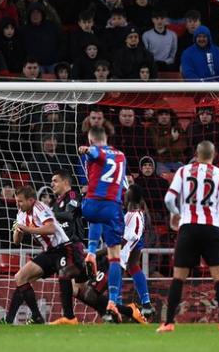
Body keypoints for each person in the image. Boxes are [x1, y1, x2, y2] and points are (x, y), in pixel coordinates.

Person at [158, 140, 219, 333]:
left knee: (178, 277)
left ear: (196, 154)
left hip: (188, 228)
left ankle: (168, 323)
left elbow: (169, 199)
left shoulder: (183, 171)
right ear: (213, 155)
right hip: (212, 228)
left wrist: (177, 213)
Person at [0, 186, 80, 325]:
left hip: (63, 249)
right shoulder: (20, 214)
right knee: (20, 277)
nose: (18, 204)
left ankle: (72, 317)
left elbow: (51, 228)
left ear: (31, 200)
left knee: (78, 288)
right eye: (17, 201)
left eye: (21, 201)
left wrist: (27, 229)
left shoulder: (40, 208)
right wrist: (18, 232)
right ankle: (30, 317)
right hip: (49, 252)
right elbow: (16, 241)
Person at [78, 126, 127, 323]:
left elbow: (96, 152)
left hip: (90, 204)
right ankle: (113, 302)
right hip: (112, 208)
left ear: (91, 140)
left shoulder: (94, 150)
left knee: (94, 216)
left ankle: (90, 251)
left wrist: (86, 150)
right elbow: (123, 184)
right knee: (115, 258)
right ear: (106, 137)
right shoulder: (121, 155)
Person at [48, 169, 85, 325]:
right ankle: (124, 311)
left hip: (74, 246)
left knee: (69, 278)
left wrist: (48, 214)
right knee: (82, 291)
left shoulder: (73, 196)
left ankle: (69, 317)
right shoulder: (56, 202)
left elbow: (70, 215)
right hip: (62, 248)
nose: (52, 184)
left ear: (65, 182)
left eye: (55, 180)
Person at [120, 184, 154, 318]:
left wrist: (104, 251)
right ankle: (146, 304)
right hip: (137, 237)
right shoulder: (139, 212)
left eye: (126, 194)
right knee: (133, 266)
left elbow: (124, 240)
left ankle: (116, 304)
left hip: (129, 240)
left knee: (118, 267)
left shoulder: (131, 214)